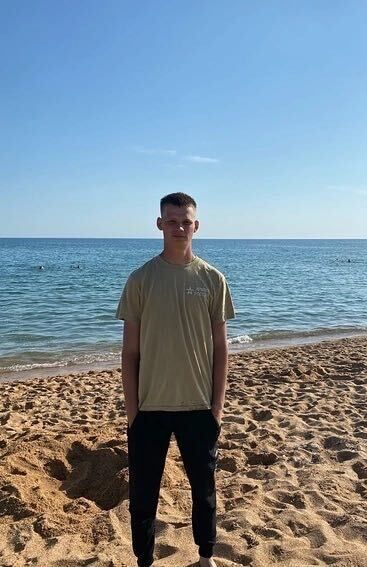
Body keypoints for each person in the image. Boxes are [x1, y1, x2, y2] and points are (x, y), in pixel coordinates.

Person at [116, 192, 235, 567]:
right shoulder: (141, 279)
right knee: (143, 495)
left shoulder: (213, 279)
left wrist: (217, 407)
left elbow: (221, 348)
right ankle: (145, 560)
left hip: (199, 406)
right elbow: (130, 352)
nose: (179, 227)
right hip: (149, 408)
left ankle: (205, 556)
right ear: (160, 224)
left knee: (204, 490)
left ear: (196, 225)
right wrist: (132, 412)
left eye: (185, 221)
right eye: (171, 221)